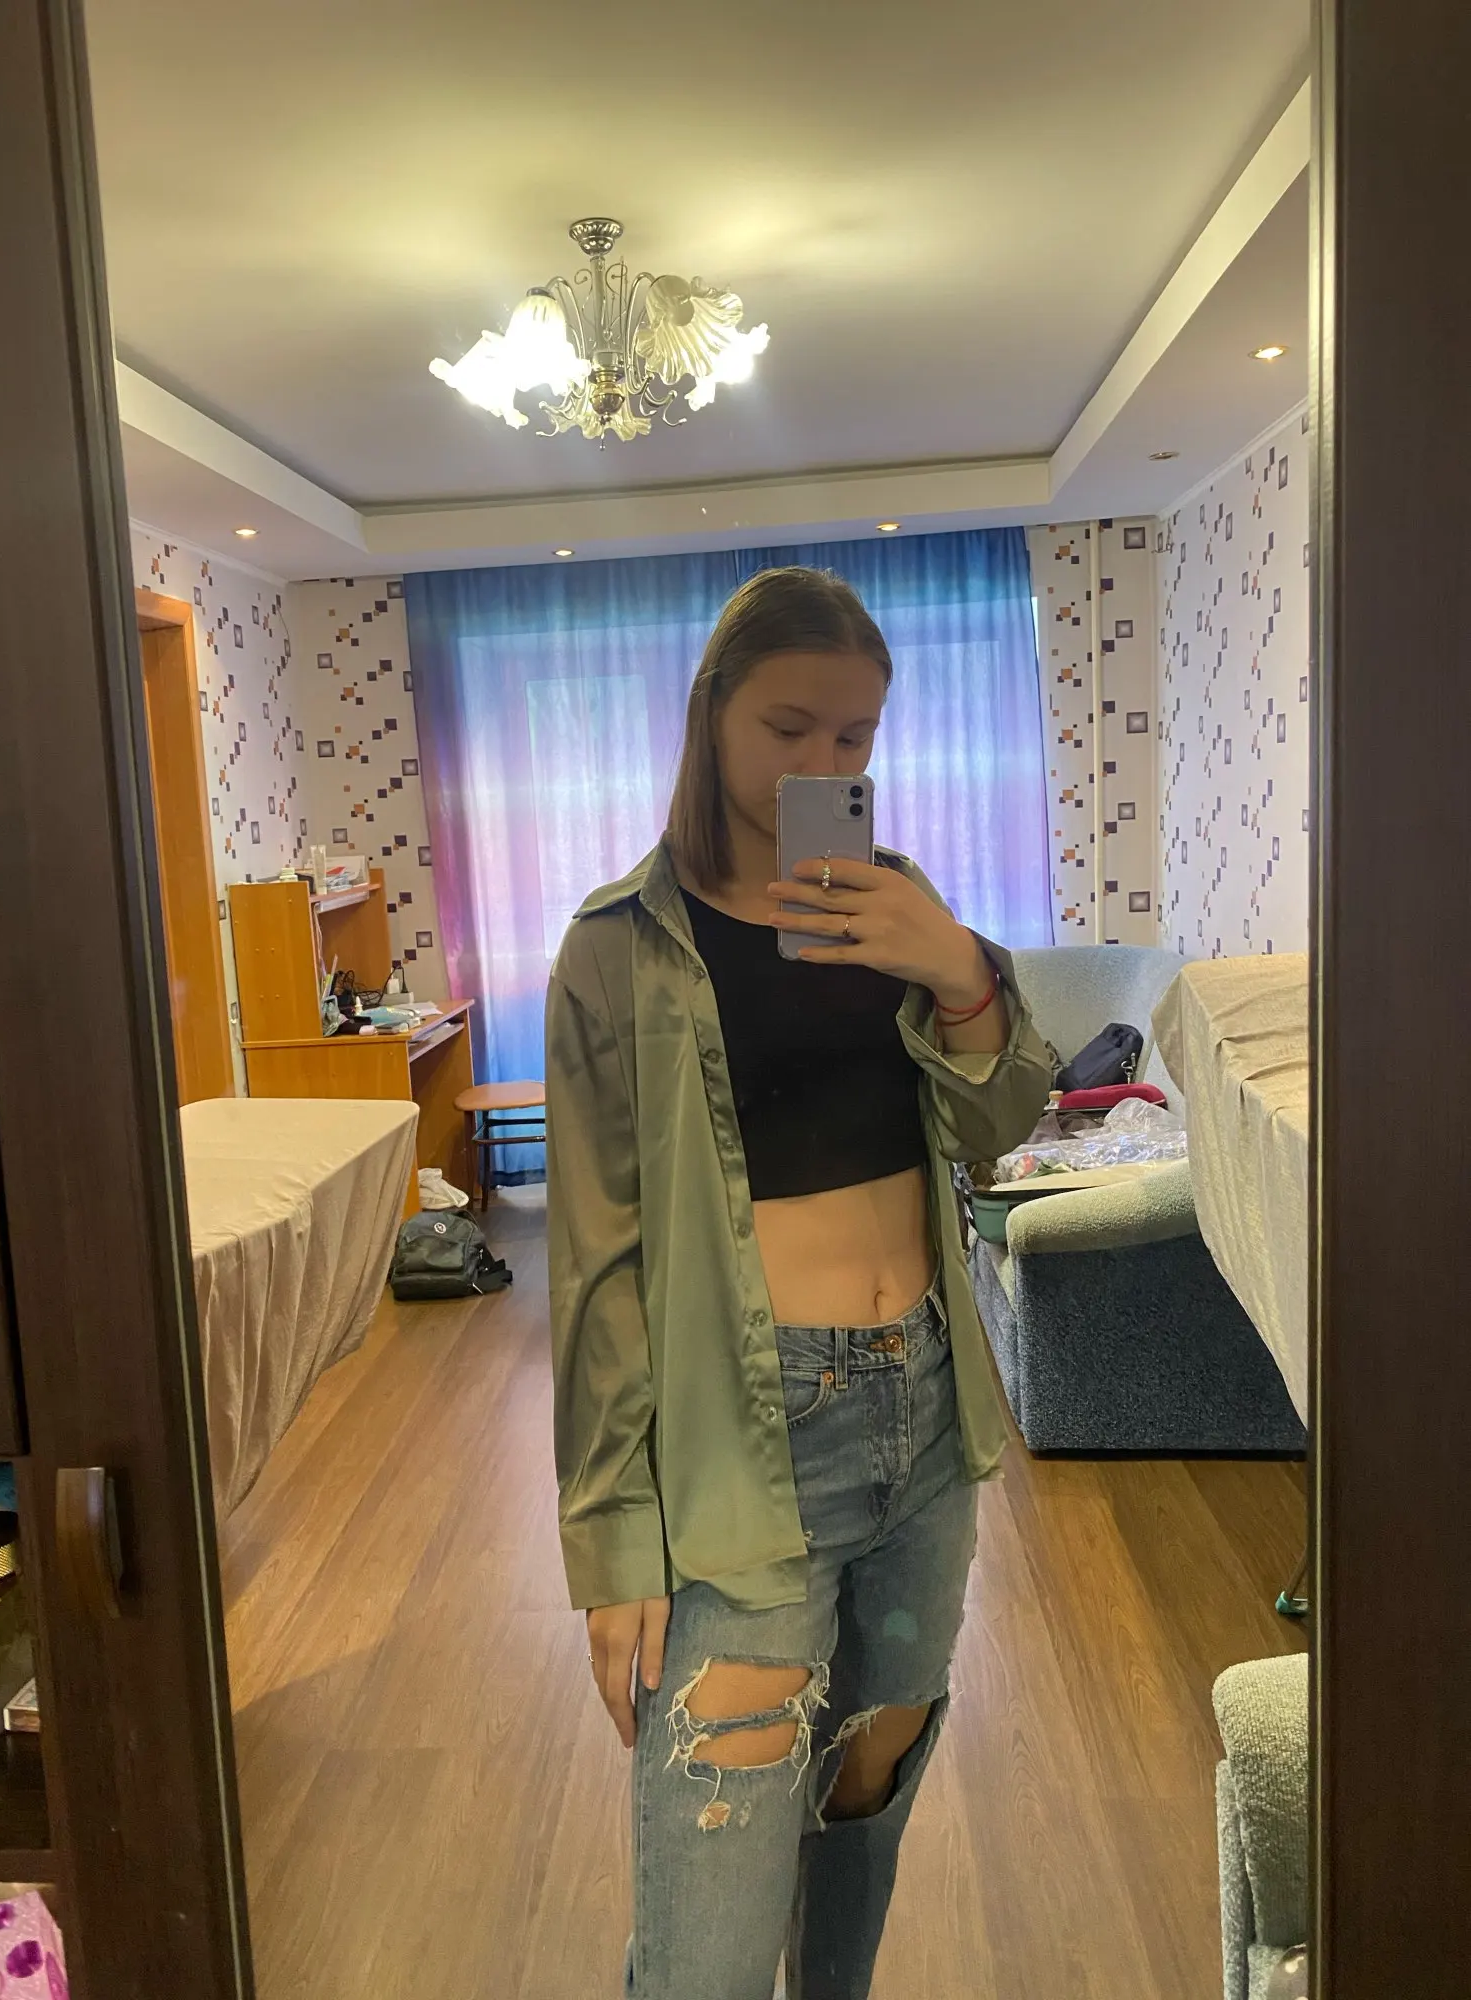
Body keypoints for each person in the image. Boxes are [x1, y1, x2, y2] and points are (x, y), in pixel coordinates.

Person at [545, 567, 1051, 2000]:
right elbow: (595, 1267)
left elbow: (1000, 1123)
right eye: (789, 728)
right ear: (710, 713)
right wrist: (612, 1539)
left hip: (929, 1419)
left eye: (855, 736)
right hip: (748, 1442)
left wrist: (960, 973)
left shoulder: (899, 904)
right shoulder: (616, 951)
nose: (825, 763)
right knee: (710, 1906)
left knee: (867, 1784)